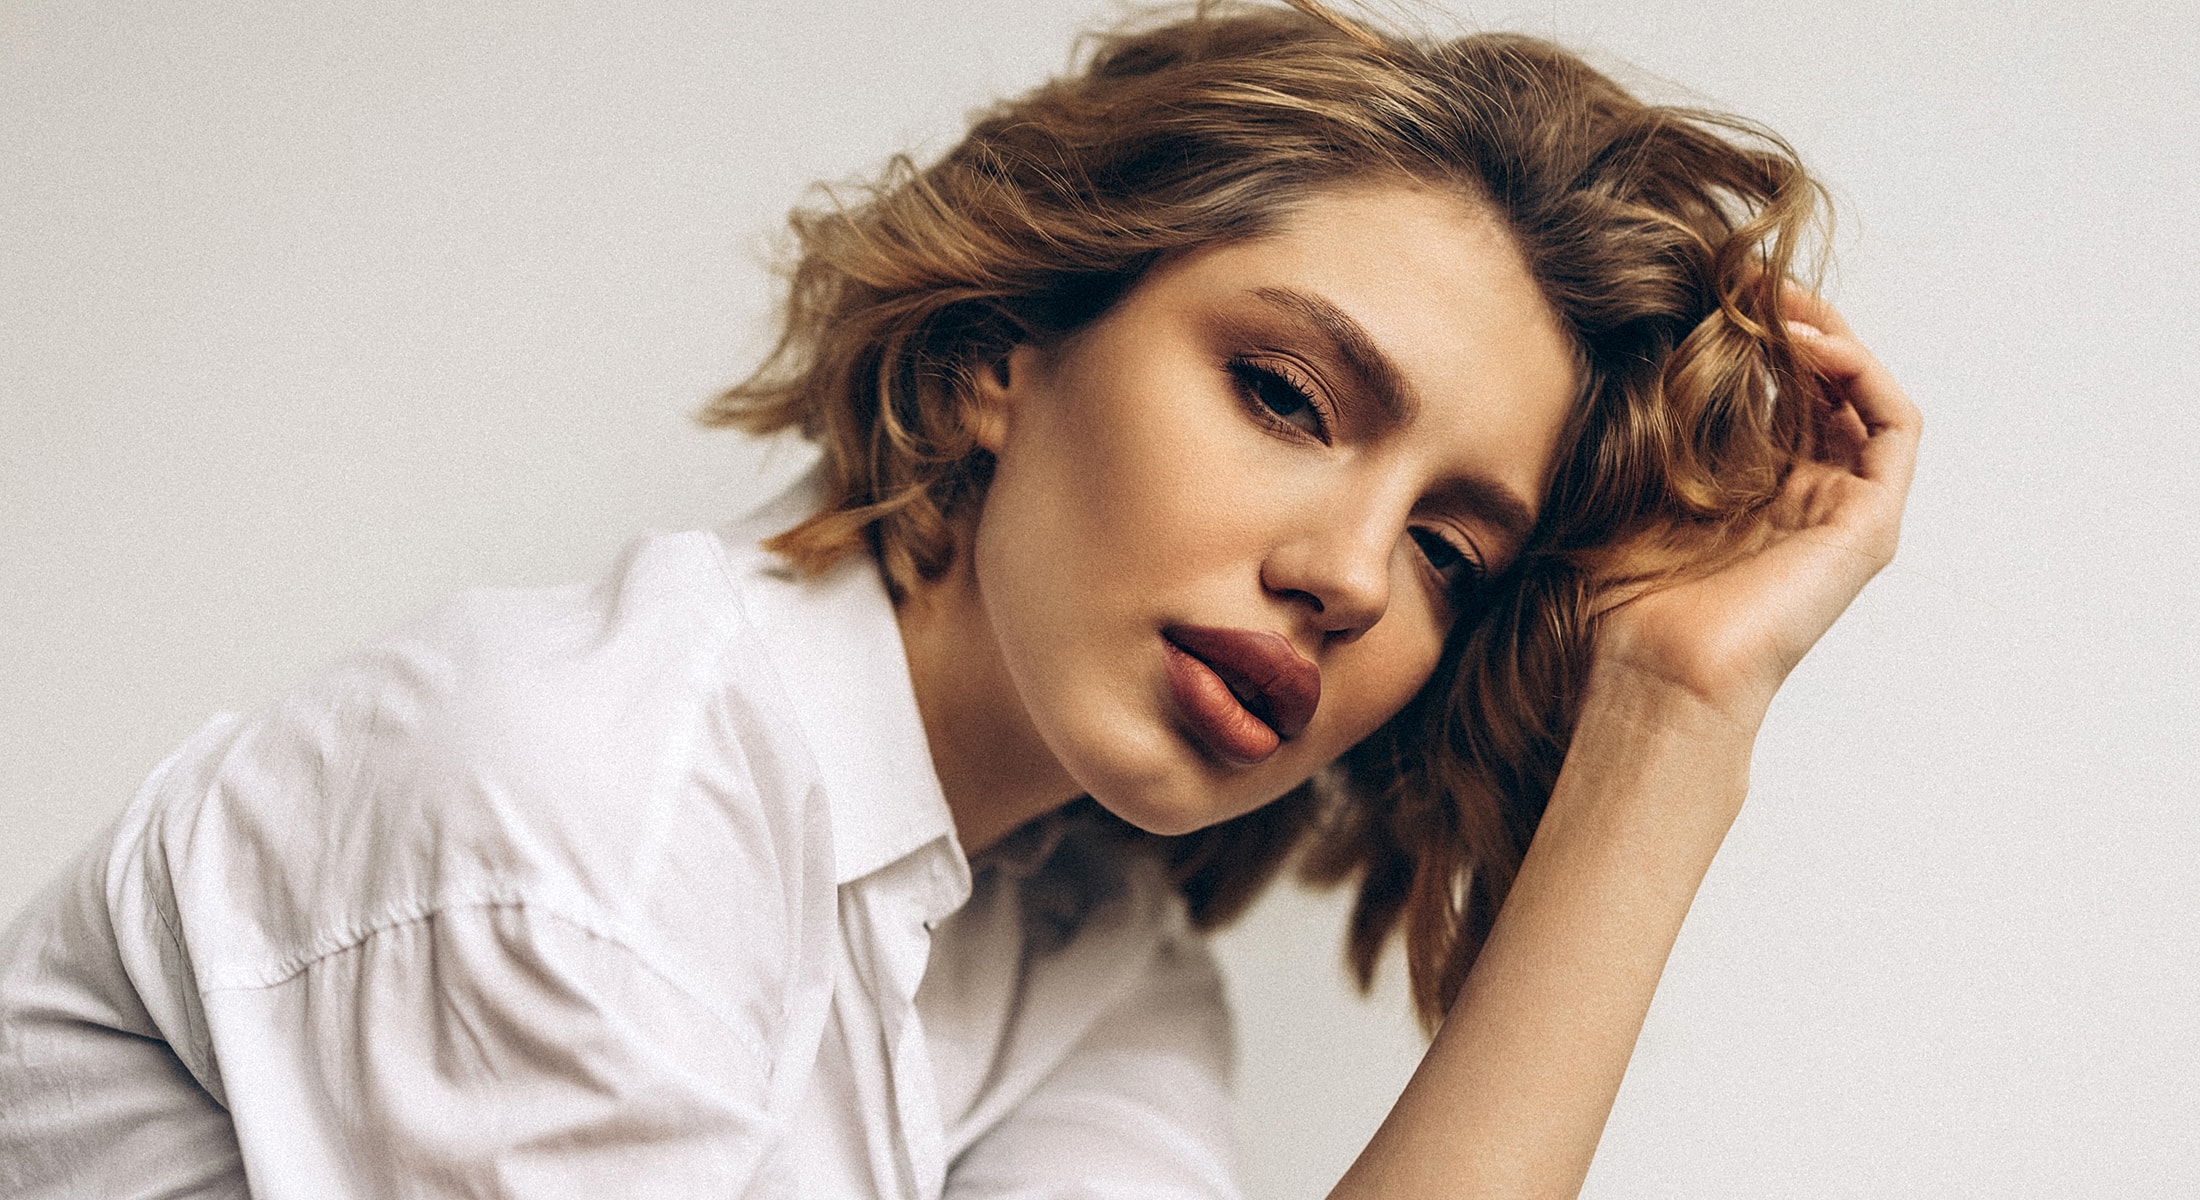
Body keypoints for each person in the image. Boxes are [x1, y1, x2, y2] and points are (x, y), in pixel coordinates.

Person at [0, 1, 1918, 1196]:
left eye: (1448, 553)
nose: (1346, 574)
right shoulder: (579, 818)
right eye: (1282, 396)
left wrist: (1675, 718)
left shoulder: (1084, 962)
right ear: (1008, 346)